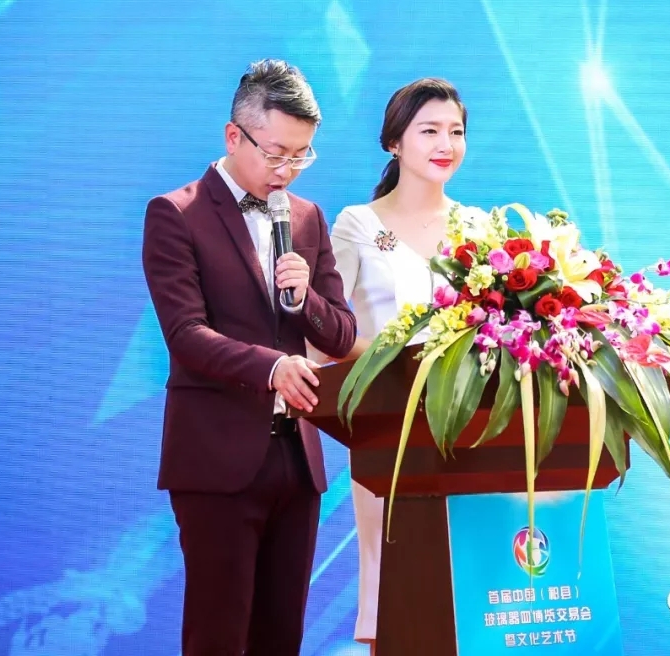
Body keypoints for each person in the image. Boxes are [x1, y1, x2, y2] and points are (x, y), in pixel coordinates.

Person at [141, 59, 357, 655]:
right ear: (234, 135)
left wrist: (305, 298)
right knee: (218, 637)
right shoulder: (176, 213)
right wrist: (271, 367)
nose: (286, 171)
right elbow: (186, 334)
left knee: (280, 638)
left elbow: (341, 335)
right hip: (217, 459)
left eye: (302, 156)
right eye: (276, 153)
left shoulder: (307, 218)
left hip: (297, 461)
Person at [317, 77, 468, 653]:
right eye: (429, 131)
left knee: (469, 589)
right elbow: (328, 334)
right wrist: (402, 362)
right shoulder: (358, 225)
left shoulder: (480, 230)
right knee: (397, 588)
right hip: (391, 432)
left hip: (469, 434)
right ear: (394, 143)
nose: (445, 145)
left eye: (455, 132)